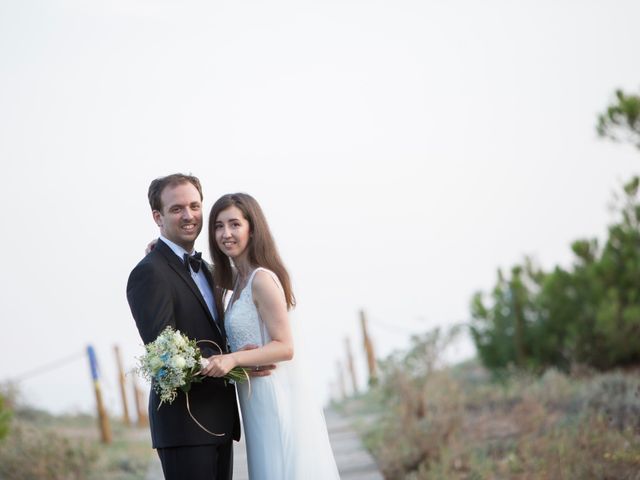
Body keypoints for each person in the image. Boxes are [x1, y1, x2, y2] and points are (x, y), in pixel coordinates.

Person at [200, 193, 341, 480]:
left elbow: (285, 347)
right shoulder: (237, 280)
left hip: (273, 393)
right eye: (218, 226)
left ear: (252, 228)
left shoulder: (261, 279)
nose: (226, 234)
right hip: (253, 399)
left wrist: (233, 359)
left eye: (234, 224)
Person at [126, 174, 242, 480]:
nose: (189, 215)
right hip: (184, 425)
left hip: (219, 420)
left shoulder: (206, 268)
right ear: (158, 217)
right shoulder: (149, 273)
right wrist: (229, 364)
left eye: (194, 205)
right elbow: (163, 353)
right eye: (177, 209)